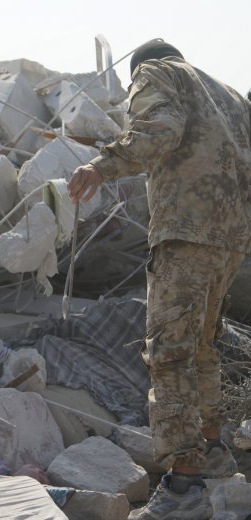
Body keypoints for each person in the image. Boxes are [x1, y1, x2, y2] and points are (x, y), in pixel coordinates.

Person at [68, 39, 251, 519]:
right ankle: (212, 450)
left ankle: (182, 486)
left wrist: (101, 165)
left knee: (169, 352)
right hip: (231, 235)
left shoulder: (157, 73)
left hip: (186, 229)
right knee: (204, 345)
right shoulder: (230, 93)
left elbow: (160, 129)